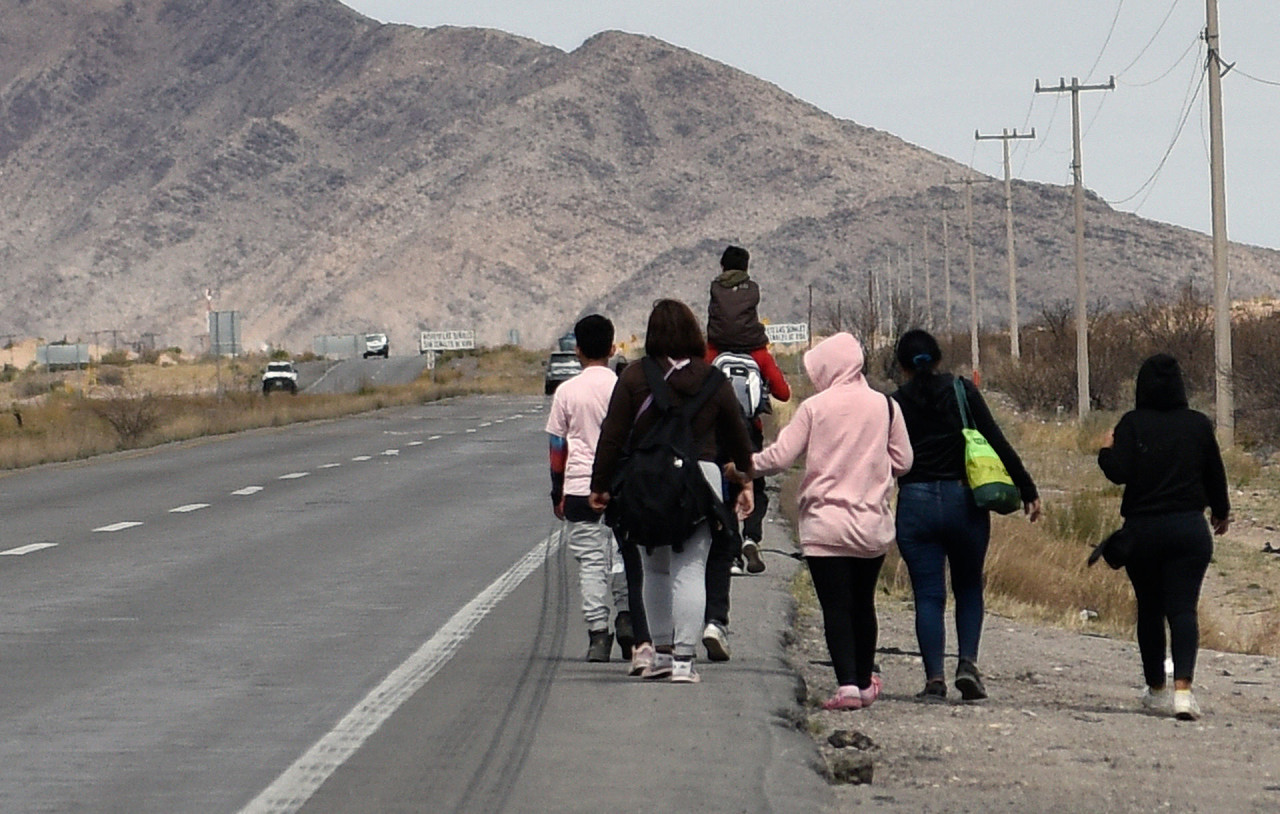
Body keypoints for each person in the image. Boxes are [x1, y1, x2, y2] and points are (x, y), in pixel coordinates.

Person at [590, 299, 755, 684]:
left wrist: (600, 486)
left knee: (654, 569)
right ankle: (684, 659)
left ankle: (660, 653)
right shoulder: (713, 380)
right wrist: (745, 480)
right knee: (691, 568)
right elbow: (738, 437)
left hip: (647, 481)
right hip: (702, 479)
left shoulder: (634, 377)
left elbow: (612, 437)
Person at [747, 333, 913, 709]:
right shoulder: (886, 407)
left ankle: (847, 686)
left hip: (825, 523)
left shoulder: (814, 408)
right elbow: (904, 462)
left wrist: (744, 467)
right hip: (871, 525)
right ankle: (865, 680)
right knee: (862, 603)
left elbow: (780, 458)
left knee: (835, 606)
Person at [891, 329, 1041, 701]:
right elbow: (995, 439)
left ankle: (934, 680)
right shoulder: (961, 391)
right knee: (969, 586)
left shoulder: (893, 404)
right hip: (964, 501)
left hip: (915, 502)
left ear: (901, 366)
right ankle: (968, 664)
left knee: (928, 595)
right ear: (939, 359)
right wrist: (1027, 489)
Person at [1098, 353, 1229, 721]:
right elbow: (1214, 474)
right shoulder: (1198, 425)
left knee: (1150, 609)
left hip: (1143, 532)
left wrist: (1106, 450)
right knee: (1183, 609)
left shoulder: (1132, 424)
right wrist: (1221, 512)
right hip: (1189, 529)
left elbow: (1118, 472)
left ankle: (1156, 689)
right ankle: (1184, 692)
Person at [702, 245, 792, 662]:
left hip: (718, 433)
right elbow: (784, 391)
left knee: (724, 487)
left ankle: (734, 547)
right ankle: (754, 535)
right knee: (754, 480)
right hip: (751, 432)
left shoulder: (710, 349)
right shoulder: (758, 349)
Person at [546, 315, 637, 663]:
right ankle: (627, 618)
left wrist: (558, 491)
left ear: (577, 351)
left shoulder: (567, 392)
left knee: (590, 563)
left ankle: (598, 634)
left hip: (580, 487)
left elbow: (558, 446)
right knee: (622, 557)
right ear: (613, 348)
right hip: (620, 487)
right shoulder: (624, 387)